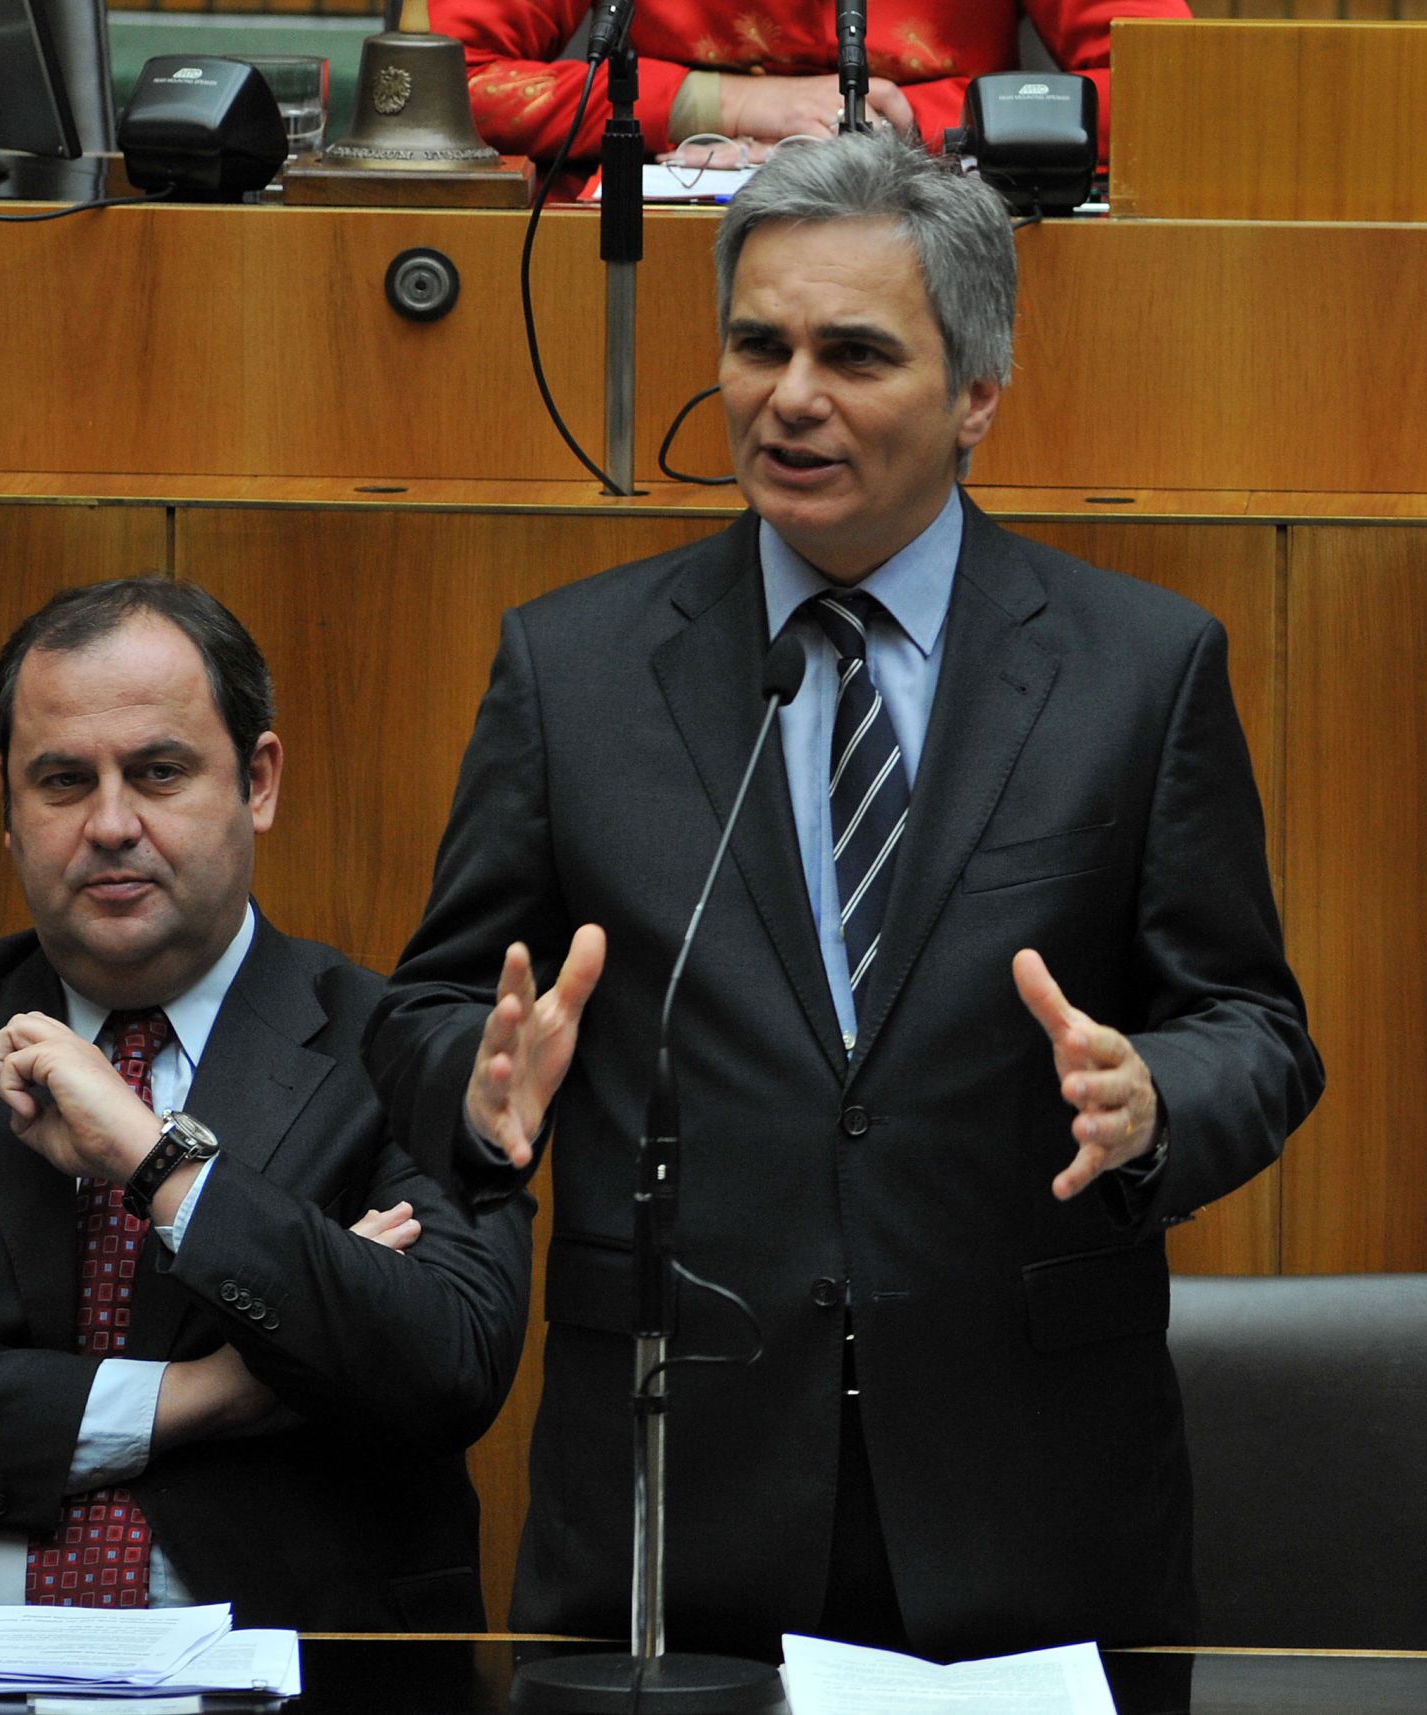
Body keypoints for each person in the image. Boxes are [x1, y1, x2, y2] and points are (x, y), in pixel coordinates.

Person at [364, 131, 1322, 1662]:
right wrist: (480, 1098)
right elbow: (429, 1006)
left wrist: (1158, 1097)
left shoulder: (1138, 671)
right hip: (679, 1493)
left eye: (854, 352)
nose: (789, 396)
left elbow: (1254, 1026)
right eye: (759, 344)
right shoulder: (580, 667)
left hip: (1029, 1490)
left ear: (976, 396)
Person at [0, 578, 531, 1630]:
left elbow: (443, 1360)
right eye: (62, 780)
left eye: (158, 771)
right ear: (8, 808)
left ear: (257, 779)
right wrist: (201, 1393)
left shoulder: (397, 1046)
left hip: (300, 1668)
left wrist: (162, 1168)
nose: (110, 823)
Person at [433, 0, 1191, 172]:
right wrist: (720, 104)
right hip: (653, 243)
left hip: (939, 225)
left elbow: (1174, 94)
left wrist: (887, 123)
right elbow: (435, 85)